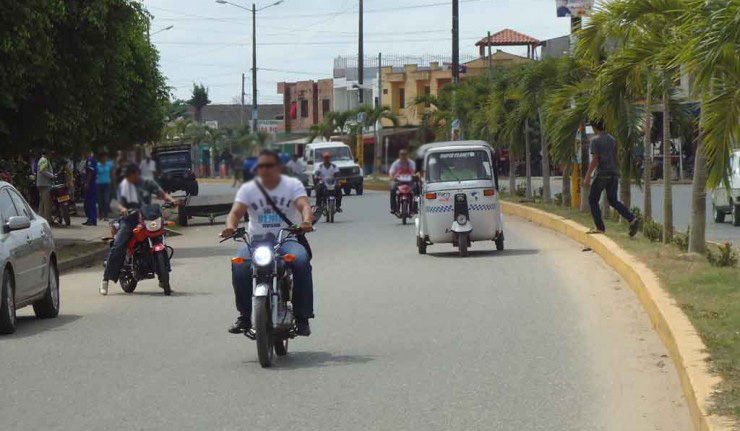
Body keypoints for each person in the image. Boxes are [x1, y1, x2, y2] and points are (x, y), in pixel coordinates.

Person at [221, 149, 315, 336]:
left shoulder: (292, 185)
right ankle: (245, 317)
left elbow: (304, 205)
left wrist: (306, 221)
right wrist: (231, 227)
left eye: (269, 165)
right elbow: (235, 213)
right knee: (239, 266)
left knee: (302, 260)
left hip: (286, 240)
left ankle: (302, 316)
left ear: (278, 167)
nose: (265, 169)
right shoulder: (249, 189)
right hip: (256, 243)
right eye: (261, 166)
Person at [100, 163, 180, 295]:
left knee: (160, 239)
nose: (131, 178)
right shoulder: (123, 186)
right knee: (118, 245)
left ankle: (163, 278)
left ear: (136, 173)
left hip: (148, 218)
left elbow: (161, 194)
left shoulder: (147, 183)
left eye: (133, 175)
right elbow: (115, 201)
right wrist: (123, 209)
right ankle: (105, 279)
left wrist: (172, 200)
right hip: (130, 220)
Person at [584, 120, 640, 236]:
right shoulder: (612, 139)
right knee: (613, 200)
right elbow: (616, 157)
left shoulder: (595, 140)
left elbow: (595, 159)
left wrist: (587, 176)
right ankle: (632, 219)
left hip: (602, 174)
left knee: (593, 200)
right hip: (613, 174)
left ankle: (600, 227)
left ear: (594, 127)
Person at [388, 149, 417, 213]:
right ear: (399, 155)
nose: (403, 156)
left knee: (416, 189)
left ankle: (415, 207)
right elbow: (391, 171)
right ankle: (393, 208)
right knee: (392, 189)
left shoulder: (411, 163)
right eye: (402, 155)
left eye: (405, 155)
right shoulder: (396, 163)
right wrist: (392, 177)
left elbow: (415, 171)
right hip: (399, 182)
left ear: (407, 155)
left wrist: (415, 176)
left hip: (410, 182)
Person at [36, 149, 55, 222]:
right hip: (45, 184)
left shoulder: (41, 160)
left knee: (42, 203)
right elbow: (42, 170)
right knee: (47, 203)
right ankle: (48, 219)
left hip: (42, 184)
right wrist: (52, 176)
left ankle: (40, 218)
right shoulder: (44, 160)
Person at [96, 148, 114, 220]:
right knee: (100, 201)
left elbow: (112, 174)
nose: (104, 158)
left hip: (107, 184)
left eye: (105, 157)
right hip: (99, 184)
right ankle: (100, 214)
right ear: (100, 158)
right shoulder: (97, 165)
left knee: (106, 200)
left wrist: (113, 183)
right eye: (103, 157)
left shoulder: (109, 164)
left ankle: (106, 215)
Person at [83, 150, 98, 226]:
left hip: (91, 184)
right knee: (87, 202)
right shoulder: (91, 160)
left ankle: (92, 219)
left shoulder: (90, 160)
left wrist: (87, 183)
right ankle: (90, 219)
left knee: (90, 202)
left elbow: (90, 172)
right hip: (92, 184)